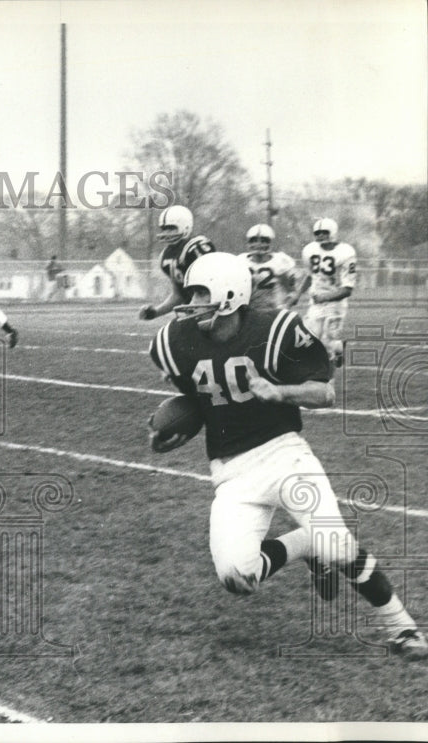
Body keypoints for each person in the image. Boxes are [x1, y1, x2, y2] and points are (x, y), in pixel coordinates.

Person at [147, 251, 426, 660]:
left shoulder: (274, 329)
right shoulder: (177, 342)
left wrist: (281, 392)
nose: (191, 303)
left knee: (337, 545)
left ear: (229, 295)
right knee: (236, 576)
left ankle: (403, 629)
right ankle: (304, 546)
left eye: (200, 294)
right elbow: (193, 397)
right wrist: (169, 425)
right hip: (232, 472)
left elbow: (325, 392)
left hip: (284, 455)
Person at [138, 205, 215, 321]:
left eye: (171, 228)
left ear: (186, 227)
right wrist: (155, 312)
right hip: (194, 311)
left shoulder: (196, 247)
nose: (167, 233)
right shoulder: (166, 257)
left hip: (212, 310)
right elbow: (179, 295)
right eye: (164, 229)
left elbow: (213, 287)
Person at [301, 218, 355, 368]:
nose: (320, 236)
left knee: (326, 342)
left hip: (336, 304)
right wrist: (297, 294)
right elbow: (309, 275)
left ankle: (327, 379)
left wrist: (325, 297)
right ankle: (338, 346)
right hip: (316, 302)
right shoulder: (310, 250)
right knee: (308, 338)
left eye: (324, 232)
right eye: (317, 233)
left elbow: (347, 289)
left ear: (333, 232)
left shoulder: (345, 253)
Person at [240, 224, 308, 311]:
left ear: (270, 243)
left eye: (264, 241)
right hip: (246, 312)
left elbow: (292, 292)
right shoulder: (240, 262)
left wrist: (285, 307)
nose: (258, 244)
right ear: (248, 242)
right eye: (254, 240)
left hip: (271, 311)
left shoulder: (279, 262)